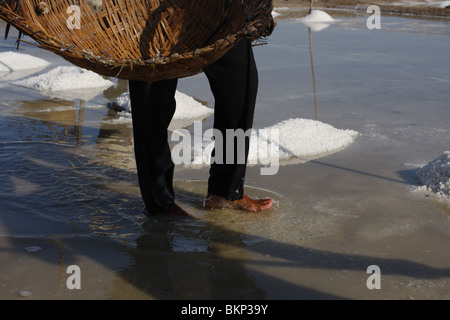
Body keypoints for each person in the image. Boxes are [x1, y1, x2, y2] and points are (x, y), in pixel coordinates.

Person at [129, 38, 274, 216]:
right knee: (152, 89)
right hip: (152, 18)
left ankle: (225, 191)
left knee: (239, 77)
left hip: (215, 11)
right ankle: (159, 201)